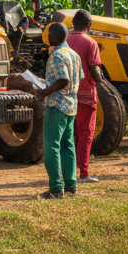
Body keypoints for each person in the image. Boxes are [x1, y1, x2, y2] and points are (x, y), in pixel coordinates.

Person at [36, 21, 82, 199]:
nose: (47, 37)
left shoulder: (56, 55)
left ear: (54, 36)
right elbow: (78, 78)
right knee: (67, 145)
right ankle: (71, 185)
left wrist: (45, 91)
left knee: (51, 146)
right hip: (71, 106)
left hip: (57, 106)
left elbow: (64, 79)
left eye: (49, 34)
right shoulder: (73, 54)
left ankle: (56, 188)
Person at [65, 10, 104, 183]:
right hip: (85, 95)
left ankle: (68, 172)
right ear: (89, 25)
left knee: (69, 134)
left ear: (73, 23)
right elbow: (95, 70)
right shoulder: (91, 42)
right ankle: (84, 173)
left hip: (66, 93)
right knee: (85, 134)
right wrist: (102, 81)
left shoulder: (63, 40)